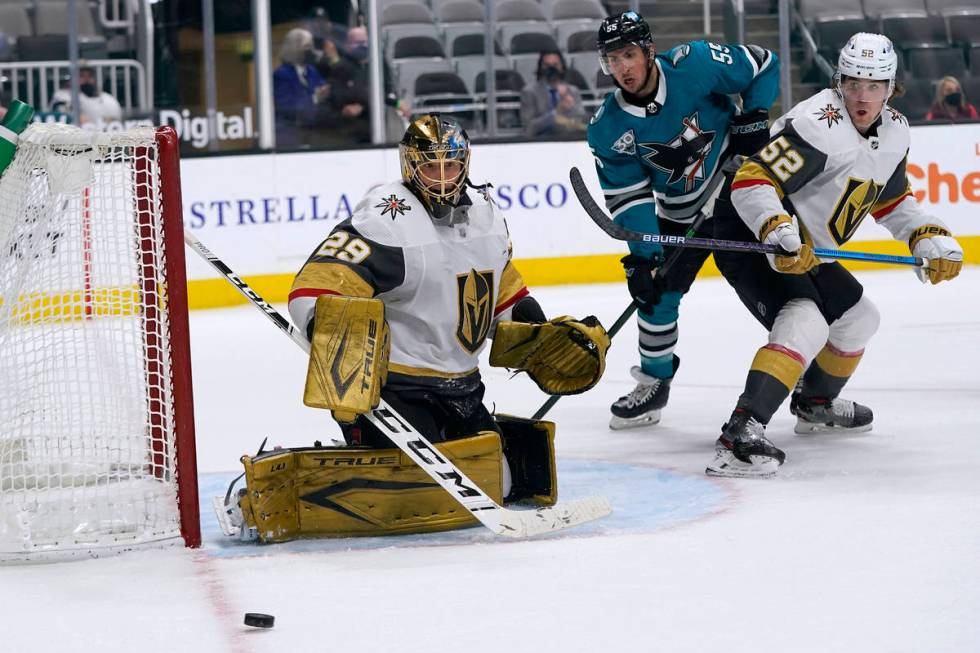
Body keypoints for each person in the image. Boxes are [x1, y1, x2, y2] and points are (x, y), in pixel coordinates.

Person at [277, 115, 609, 538]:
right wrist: (340, 343)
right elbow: (314, 287)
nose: (440, 177)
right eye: (429, 166)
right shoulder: (387, 219)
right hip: (397, 388)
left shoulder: (486, 215)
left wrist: (536, 332)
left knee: (499, 485)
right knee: (422, 494)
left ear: (465, 164)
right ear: (409, 166)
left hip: (463, 387)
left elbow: (503, 291)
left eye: (449, 165)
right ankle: (356, 444)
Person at [707, 33, 964, 478]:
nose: (862, 97)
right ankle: (740, 435)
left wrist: (926, 235)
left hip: (809, 242)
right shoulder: (817, 125)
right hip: (752, 233)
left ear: (891, 87)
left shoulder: (896, 130)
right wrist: (778, 231)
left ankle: (815, 403)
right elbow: (752, 181)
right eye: (852, 84)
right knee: (805, 317)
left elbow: (890, 199)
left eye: (874, 86)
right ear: (838, 81)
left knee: (859, 319)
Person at [587, 11, 779, 430]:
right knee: (656, 295)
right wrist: (645, 256)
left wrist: (755, 117)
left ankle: (803, 373)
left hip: (741, 194)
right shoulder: (608, 128)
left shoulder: (695, 63)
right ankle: (655, 381)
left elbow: (765, 64)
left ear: (648, 51)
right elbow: (630, 196)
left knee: (780, 283)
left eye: (628, 55)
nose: (622, 68)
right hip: (679, 214)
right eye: (612, 59)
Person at [273, 28, 330, 148]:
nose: (311, 51)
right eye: (307, 46)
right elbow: (287, 107)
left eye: (311, 46)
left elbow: (323, 88)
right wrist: (314, 98)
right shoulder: (281, 75)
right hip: (290, 136)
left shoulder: (312, 71)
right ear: (295, 48)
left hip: (315, 133)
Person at [521, 50, 587, 137]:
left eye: (555, 65)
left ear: (562, 67)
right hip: (540, 143)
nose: (551, 69)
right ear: (540, 68)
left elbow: (582, 122)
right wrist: (555, 113)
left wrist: (571, 107)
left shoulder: (572, 90)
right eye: (547, 65)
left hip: (570, 141)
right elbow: (529, 129)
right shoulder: (529, 92)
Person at [49, 65, 122, 126]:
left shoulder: (106, 97)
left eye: (90, 76)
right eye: (81, 76)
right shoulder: (62, 95)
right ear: (70, 80)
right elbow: (63, 116)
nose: (86, 79)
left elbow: (116, 119)